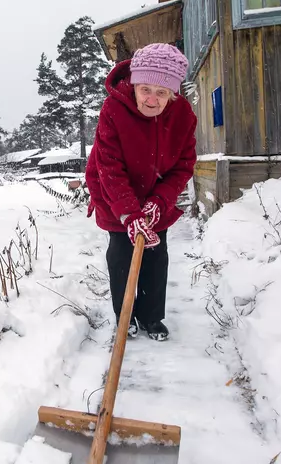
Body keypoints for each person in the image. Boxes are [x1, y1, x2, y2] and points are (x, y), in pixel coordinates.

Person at [84, 42, 198, 342]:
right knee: (122, 253)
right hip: (115, 194)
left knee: (156, 255)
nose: (151, 99)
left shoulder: (183, 116)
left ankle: (151, 317)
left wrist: (160, 201)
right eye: (145, 89)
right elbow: (109, 167)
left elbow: (184, 165)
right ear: (134, 84)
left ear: (172, 94)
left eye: (161, 93)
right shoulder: (113, 110)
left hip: (155, 199)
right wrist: (129, 213)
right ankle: (126, 315)